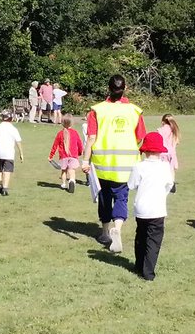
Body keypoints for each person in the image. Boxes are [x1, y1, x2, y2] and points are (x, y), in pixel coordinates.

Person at [81, 74, 146, 253]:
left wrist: (85, 160)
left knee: (104, 198)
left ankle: (105, 232)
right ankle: (117, 227)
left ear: (108, 88)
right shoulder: (134, 111)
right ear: (125, 88)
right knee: (121, 198)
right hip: (126, 166)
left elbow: (91, 138)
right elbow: (140, 138)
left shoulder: (97, 110)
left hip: (102, 165)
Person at [128, 132, 174, 281]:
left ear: (145, 150)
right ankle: (148, 272)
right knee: (153, 241)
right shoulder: (165, 167)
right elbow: (169, 184)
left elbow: (131, 185)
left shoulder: (138, 166)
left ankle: (139, 265)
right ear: (160, 151)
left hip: (141, 208)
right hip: (158, 208)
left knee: (141, 237)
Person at [0, 110, 24, 196]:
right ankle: (5, 188)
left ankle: (0, 185)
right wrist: (21, 153)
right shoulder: (13, 129)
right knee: (7, 170)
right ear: (11, 118)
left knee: (0, 169)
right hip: (9, 153)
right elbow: (18, 141)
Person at [48, 114, 83, 193]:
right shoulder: (75, 133)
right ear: (72, 123)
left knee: (64, 171)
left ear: (62, 123)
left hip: (63, 156)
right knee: (72, 170)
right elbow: (79, 144)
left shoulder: (60, 133)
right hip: (73, 156)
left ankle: (63, 184)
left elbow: (55, 146)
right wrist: (80, 152)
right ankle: (72, 180)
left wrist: (51, 156)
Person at [157, 113, 181, 194]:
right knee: (171, 170)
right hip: (172, 153)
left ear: (163, 121)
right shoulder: (174, 130)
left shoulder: (160, 130)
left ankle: (163, 183)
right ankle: (172, 184)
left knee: (162, 169)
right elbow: (177, 142)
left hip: (162, 153)